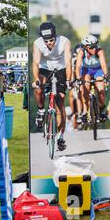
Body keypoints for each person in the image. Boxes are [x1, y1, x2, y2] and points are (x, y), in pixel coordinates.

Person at [32, 21, 72, 151]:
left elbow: (68, 62)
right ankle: (41, 110)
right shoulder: (37, 43)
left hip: (61, 69)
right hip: (45, 69)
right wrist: (36, 78)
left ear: (55, 36)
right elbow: (36, 63)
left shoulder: (64, 42)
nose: (49, 43)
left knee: (60, 101)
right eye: (46, 41)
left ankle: (60, 136)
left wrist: (68, 80)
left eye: (51, 40)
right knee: (37, 87)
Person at [75, 35, 109, 123]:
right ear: (86, 47)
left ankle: (101, 108)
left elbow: (104, 64)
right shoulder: (81, 52)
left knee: (101, 89)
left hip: (98, 70)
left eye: (96, 46)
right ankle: (85, 111)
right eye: (92, 47)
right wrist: (78, 78)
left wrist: (105, 76)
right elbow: (78, 66)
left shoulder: (99, 51)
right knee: (85, 88)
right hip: (86, 70)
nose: (94, 49)